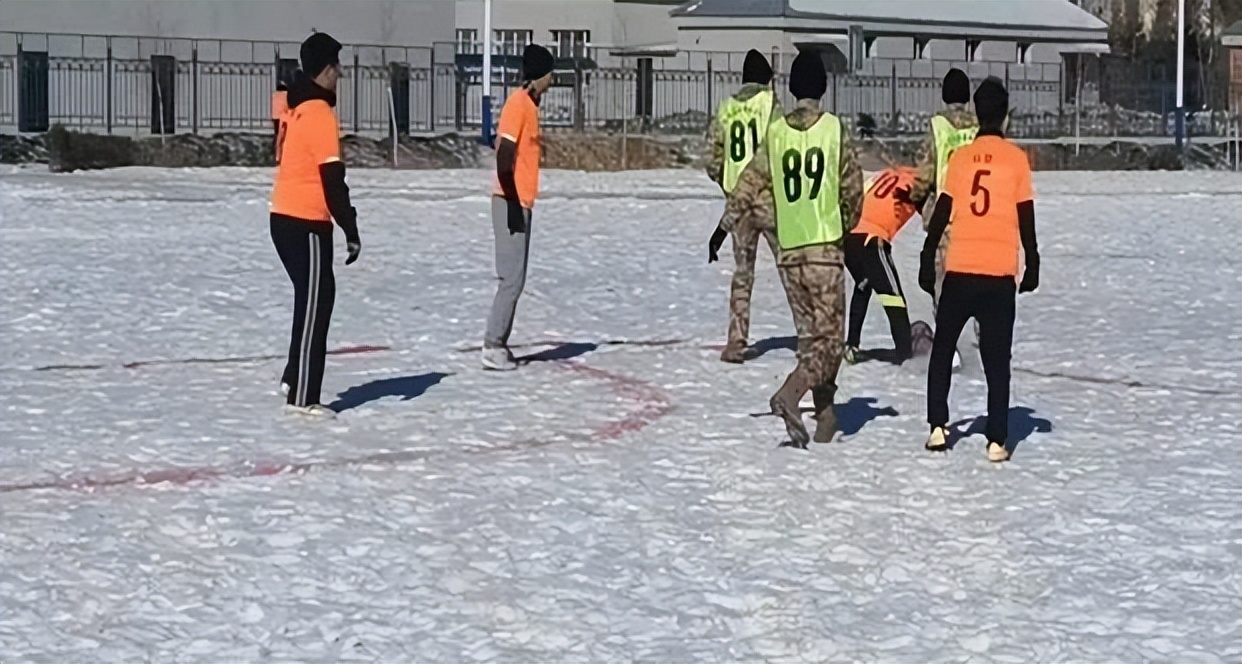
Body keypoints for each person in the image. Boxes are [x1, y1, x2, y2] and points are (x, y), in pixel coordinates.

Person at [723, 51, 863, 447]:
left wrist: (724, 225)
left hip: (789, 252)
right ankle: (791, 392)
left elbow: (747, 184)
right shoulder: (834, 129)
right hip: (823, 247)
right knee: (830, 341)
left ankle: (825, 416)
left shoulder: (778, 133)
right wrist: (844, 227)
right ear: (823, 88)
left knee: (809, 338)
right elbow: (853, 189)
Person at [919, 77, 1040, 463]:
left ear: (976, 114)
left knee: (942, 349)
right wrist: (1033, 259)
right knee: (996, 357)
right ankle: (997, 439)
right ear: (1005, 117)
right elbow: (1025, 214)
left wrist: (926, 253)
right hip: (999, 271)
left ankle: (938, 426)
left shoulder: (961, 158)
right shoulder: (1017, 160)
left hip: (960, 267)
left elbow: (942, 209)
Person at [269, 32, 362, 417]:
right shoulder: (320, 113)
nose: (340, 73)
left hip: (286, 217)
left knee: (314, 299)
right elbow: (332, 178)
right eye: (336, 65)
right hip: (303, 219)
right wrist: (351, 228)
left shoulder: (299, 105)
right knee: (316, 303)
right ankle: (304, 397)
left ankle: (294, 375)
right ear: (324, 70)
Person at [705, 50, 784, 364]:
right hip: (768, 199)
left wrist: (728, 186)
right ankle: (809, 335)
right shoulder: (769, 105)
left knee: (742, 273)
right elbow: (781, 145)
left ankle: (736, 341)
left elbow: (712, 158)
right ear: (766, 79)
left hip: (737, 205)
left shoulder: (726, 109)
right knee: (789, 267)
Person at [482, 44, 554, 371]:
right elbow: (504, 155)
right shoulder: (518, 105)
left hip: (521, 202)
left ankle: (499, 343)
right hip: (510, 201)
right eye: (551, 73)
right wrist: (511, 201)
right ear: (541, 74)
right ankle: (493, 344)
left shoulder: (530, 106)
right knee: (511, 278)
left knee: (517, 278)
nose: (554, 80)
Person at [906, 68, 979, 371]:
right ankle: (977, 337)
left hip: (945, 218)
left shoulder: (937, 126)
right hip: (975, 214)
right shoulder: (978, 126)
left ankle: (948, 347)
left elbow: (925, 173)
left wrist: (915, 196)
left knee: (942, 286)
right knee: (976, 279)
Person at [844, 165, 918, 364]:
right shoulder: (918, 182)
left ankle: (851, 344)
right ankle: (905, 354)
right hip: (872, 240)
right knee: (893, 297)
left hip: (850, 238)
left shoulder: (888, 173)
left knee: (864, 285)